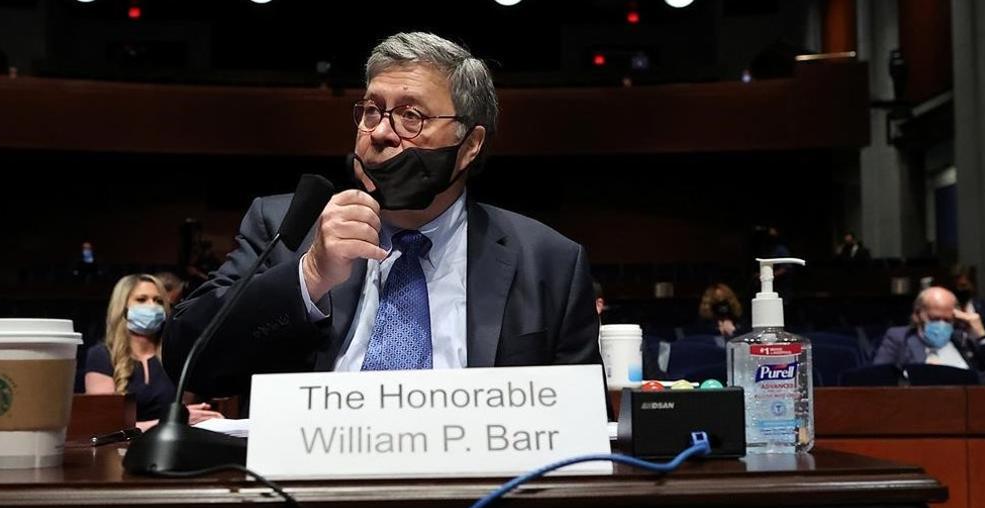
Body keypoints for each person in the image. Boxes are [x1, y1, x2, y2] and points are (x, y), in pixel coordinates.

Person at [163, 32, 601, 400]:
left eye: (411, 116)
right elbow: (187, 358)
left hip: (478, 490)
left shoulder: (549, 261)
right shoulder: (286, 227)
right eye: (372, 111)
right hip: (313, 487)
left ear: (469, 145)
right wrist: (310, 275)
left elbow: (581, 427)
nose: (381, 132)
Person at [85, 274, 222, 430]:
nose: (152, 306)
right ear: (123, 307)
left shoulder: (175, 355)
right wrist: (168, 422)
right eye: (142, 299)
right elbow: (105, 425)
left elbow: (190, 411)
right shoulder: (102, 355)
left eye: (158, 301)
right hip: (122, 449)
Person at [872, 286, 985, 372]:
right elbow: (878, 377)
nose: (941, 325)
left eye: (947, 320)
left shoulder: (963, 340)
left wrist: (981, 334)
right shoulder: (900, 338)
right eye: (934, 318)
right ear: (917, 315)